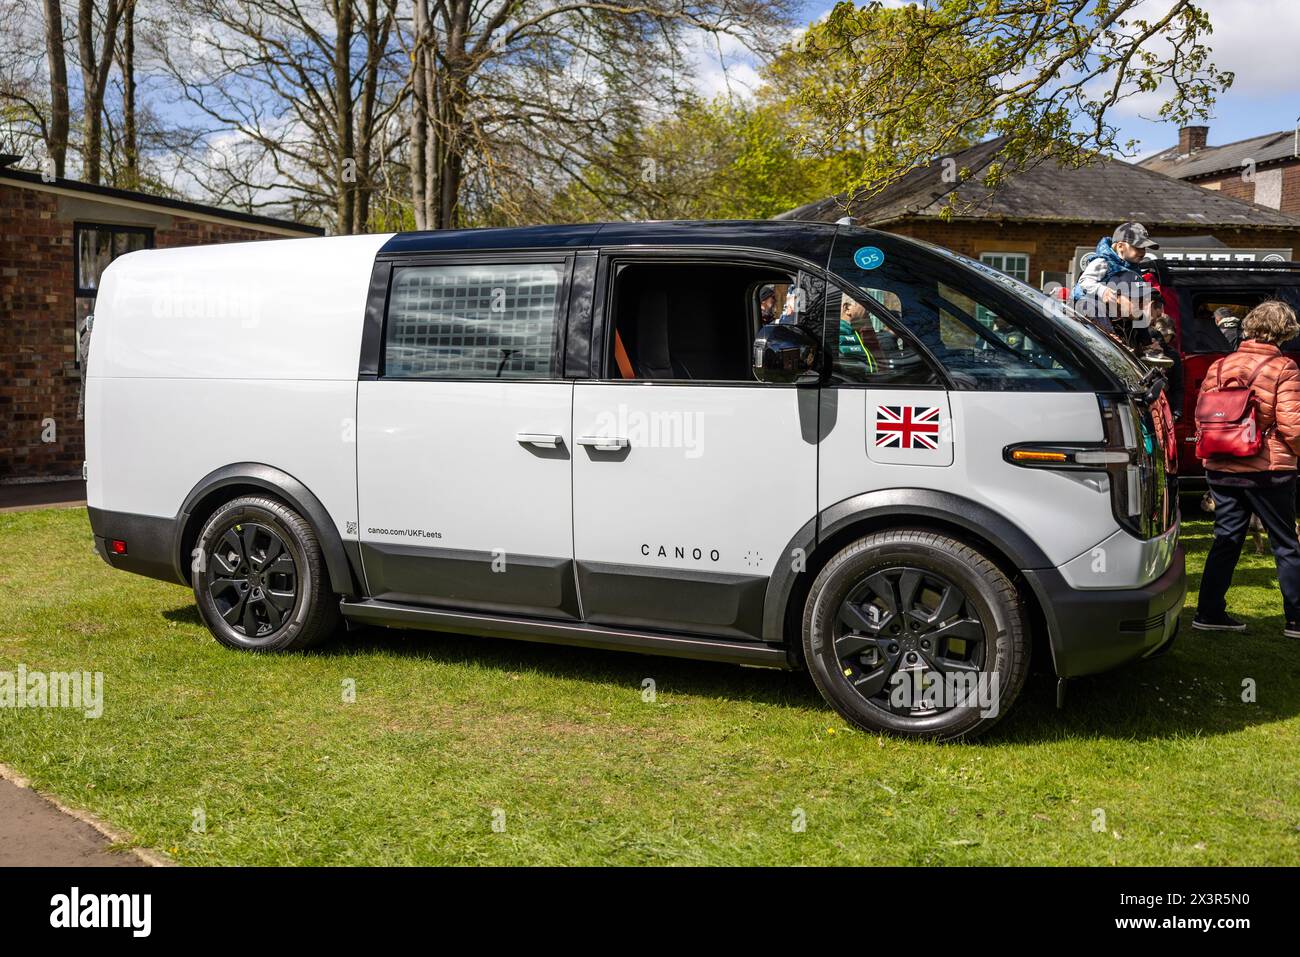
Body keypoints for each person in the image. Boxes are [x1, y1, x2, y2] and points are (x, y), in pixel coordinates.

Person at [1193, 300, 1300, 638]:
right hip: (1267, 467)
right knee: (1285, 544)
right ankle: (1296, 620)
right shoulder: (1285, 368)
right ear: (1284, 332)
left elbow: (1203, 415)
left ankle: (1209, 612)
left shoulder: (1221, 366)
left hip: (1222, 465)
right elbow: (1293, 424)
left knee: (1226, 540)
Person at [1072, 222, 1159, 334]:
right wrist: (1103, 291)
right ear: (1120, 246)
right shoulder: (1103, 262)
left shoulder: (1132, 268)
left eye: (1145, 248)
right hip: (1090, 305)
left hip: (1115, 313)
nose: (1143, 252)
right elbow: (1084, 281)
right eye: (1138, 247)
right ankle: (1110, 335)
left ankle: (1144, 343)